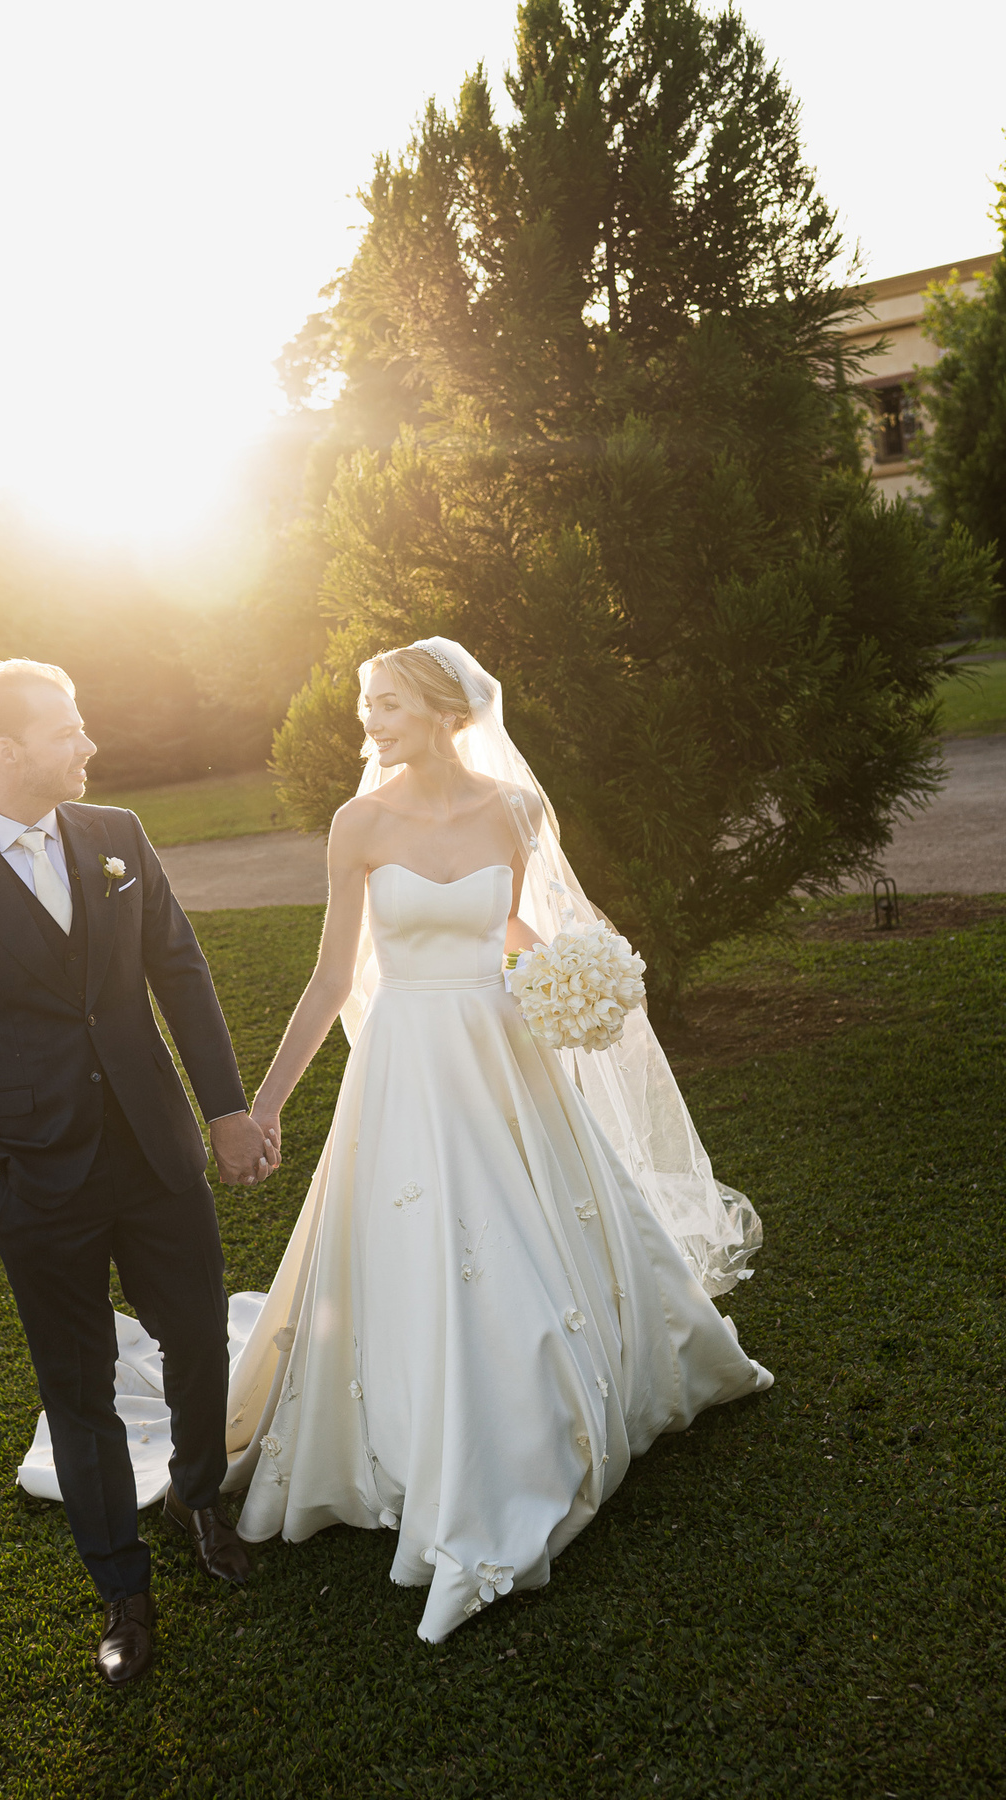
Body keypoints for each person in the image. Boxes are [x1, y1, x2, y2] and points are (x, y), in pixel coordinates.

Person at [219, 638, 772, 1643]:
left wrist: (574, 968)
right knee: (426, 1243)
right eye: (368, 709)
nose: (370, 725)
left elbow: (508, 926)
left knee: (529, 1229)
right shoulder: (358, 824)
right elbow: (332, 980)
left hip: (500, 1050)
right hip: (406, 1069)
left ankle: (555, 1409)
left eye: (386, 705)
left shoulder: (515, 811)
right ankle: (445, 1440)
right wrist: (265, 1107)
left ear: (439, 709)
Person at [0, 658, 277, 1687]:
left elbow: (179, 970)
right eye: (69, 731)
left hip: (154, 1148)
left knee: (196, 1334)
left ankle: (198, 1492)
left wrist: (226, 1109)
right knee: (78, 1382)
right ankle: (122, 1589)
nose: (89, 746)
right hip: (32, 1174)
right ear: (7, 752)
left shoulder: (118, 837)